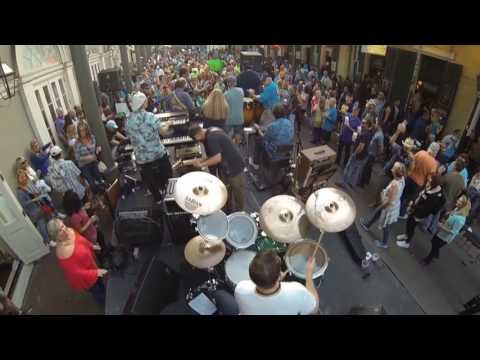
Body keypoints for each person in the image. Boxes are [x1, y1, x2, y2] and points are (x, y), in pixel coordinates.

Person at [233, 251, 319, 315]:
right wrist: (309, 274)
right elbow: (314, 309)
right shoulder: (297, 291)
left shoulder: (241, 289)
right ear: (279, 276)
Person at [126, 92, 173, 203]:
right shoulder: (150, 116)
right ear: (143, 103)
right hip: (157, 153)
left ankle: (157, 198)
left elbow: (130, 136)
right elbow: (163, 132)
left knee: (149, 178)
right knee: (167, 172)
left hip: (142, 158)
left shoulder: (128, 120)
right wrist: (169, 123)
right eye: (146, 100)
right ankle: (168, 194)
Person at [47, 218, 107, 305]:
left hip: (91, 265)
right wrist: (95, 273)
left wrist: (92, 246)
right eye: (59, 231)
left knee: (100, 283)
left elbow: (82, 240)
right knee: (97, 291)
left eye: (63, 226)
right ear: (55, 236)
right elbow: (76, 273)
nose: (64, 230)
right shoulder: (62, 252)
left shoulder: (70, 231)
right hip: (86, 277)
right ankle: (104, 303)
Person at [189, 125, 245, 213]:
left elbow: (217, 158)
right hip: (226, 165)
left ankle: (241, 212)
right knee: (225, 189)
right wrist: (201, 160)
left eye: (196, 139)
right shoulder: (210, 130)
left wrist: (201, 165)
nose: (198, 141)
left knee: (237, 189)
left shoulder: (211, 138)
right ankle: (228, 209)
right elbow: (212, 155)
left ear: (197, 135)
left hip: (233, 165)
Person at [359, 162, 406, 248]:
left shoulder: (395, 184)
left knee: (385, 225)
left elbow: (389, 200)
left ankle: (384, 243)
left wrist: (381, 206)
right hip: (392, 205)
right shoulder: (401, 179)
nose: (392, 168)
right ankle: (367, 225)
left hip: (388, 207)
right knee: (378, 215)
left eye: (394, 167)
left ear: (394, 171)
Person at [396, 174, 446, 249]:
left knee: (411, 225)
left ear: (434, 182)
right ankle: (406, 235)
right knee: (409, 222)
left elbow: (424, 208)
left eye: (430, 180)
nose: (428, 180)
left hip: (419, 213)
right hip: (417, 208)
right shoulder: (431, 187)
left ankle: (407, 242)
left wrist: (413, 206)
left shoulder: (433, 197)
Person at [422, 194, 470, 265]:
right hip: (441, 232)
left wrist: (442, 226)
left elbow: (454, 232)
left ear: (463, 205)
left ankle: (427, 260)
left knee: (435, 246)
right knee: (433, 242)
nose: (457, 201)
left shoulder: (460, 220)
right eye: (458, 200)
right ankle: (435, 255)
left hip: (445, 237)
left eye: (460, 201)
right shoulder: (457, 209)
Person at [399, 142, 440, 218]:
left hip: (410, 177)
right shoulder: (434, 163)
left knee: (402, 193)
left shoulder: (421, 153)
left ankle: (395, 208)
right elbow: (430, 178)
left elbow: (412, 162)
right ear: (436, 152)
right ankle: (401, 213)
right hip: (418, 183)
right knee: (409, 199)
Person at [250, 103, 294, 170]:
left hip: (274, 152)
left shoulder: (272, 126)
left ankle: (255, 164)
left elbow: (264, 138)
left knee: (258, 141)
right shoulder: (289, 122)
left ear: (274, 114)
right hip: (286, 151)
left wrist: (259, 129)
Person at [16, 170, 51, 245]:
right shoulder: (19, 191)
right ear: (18, 180)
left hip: (39, 206)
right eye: (21, 177)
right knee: (42, 225)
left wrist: (37, 194)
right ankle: (48, 241)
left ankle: (49, 238)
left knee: (45, 222)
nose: (24, 178)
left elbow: (34, 193)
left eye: (25, 176)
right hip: (34, 211)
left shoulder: (28, 185)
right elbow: (24, 204)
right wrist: (34, 199)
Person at [342, 117, 374, 188]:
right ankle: (351, 183)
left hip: (358, 155)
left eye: (363, 123)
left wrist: (354, 154)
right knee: (356, 170)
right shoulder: (369, 133)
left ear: (367, 125)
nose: (361, 124)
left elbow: (361, 146)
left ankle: (344, 183)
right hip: (363, 156)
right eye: (362, 122)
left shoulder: (364, 134)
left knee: (350, 168)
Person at [74, 123, 104, 190]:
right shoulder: (77, 142)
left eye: (84, 130)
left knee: (100, 179)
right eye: (80, 131)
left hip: (93, 162)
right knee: (92, 183)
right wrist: (88, 157)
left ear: (87, 130)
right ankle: (97, 196)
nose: (82, 132)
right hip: (84, 166)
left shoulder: (92, 137)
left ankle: (105, 195)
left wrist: (97, 150)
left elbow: (94, 150)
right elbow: (77, 157)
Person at [360, 119, 384, 187]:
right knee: (369, 168)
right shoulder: (377, 132)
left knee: (365, 168)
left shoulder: (380, 135)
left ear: (379, 125)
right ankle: (366, 181)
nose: (374, 125)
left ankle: (361, 183)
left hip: (372, 154)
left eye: (376, 123)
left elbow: (381, 148)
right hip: (371, 153)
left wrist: (377, 155)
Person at [223, 76, 244, 144]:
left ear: (228, 83)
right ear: (235, 83)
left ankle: (230, 149)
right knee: (238, 135)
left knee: (227, 137)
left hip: (229, 119)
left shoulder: (226, 94)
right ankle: (237, 149)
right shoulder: (241, 91)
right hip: (239, 117)